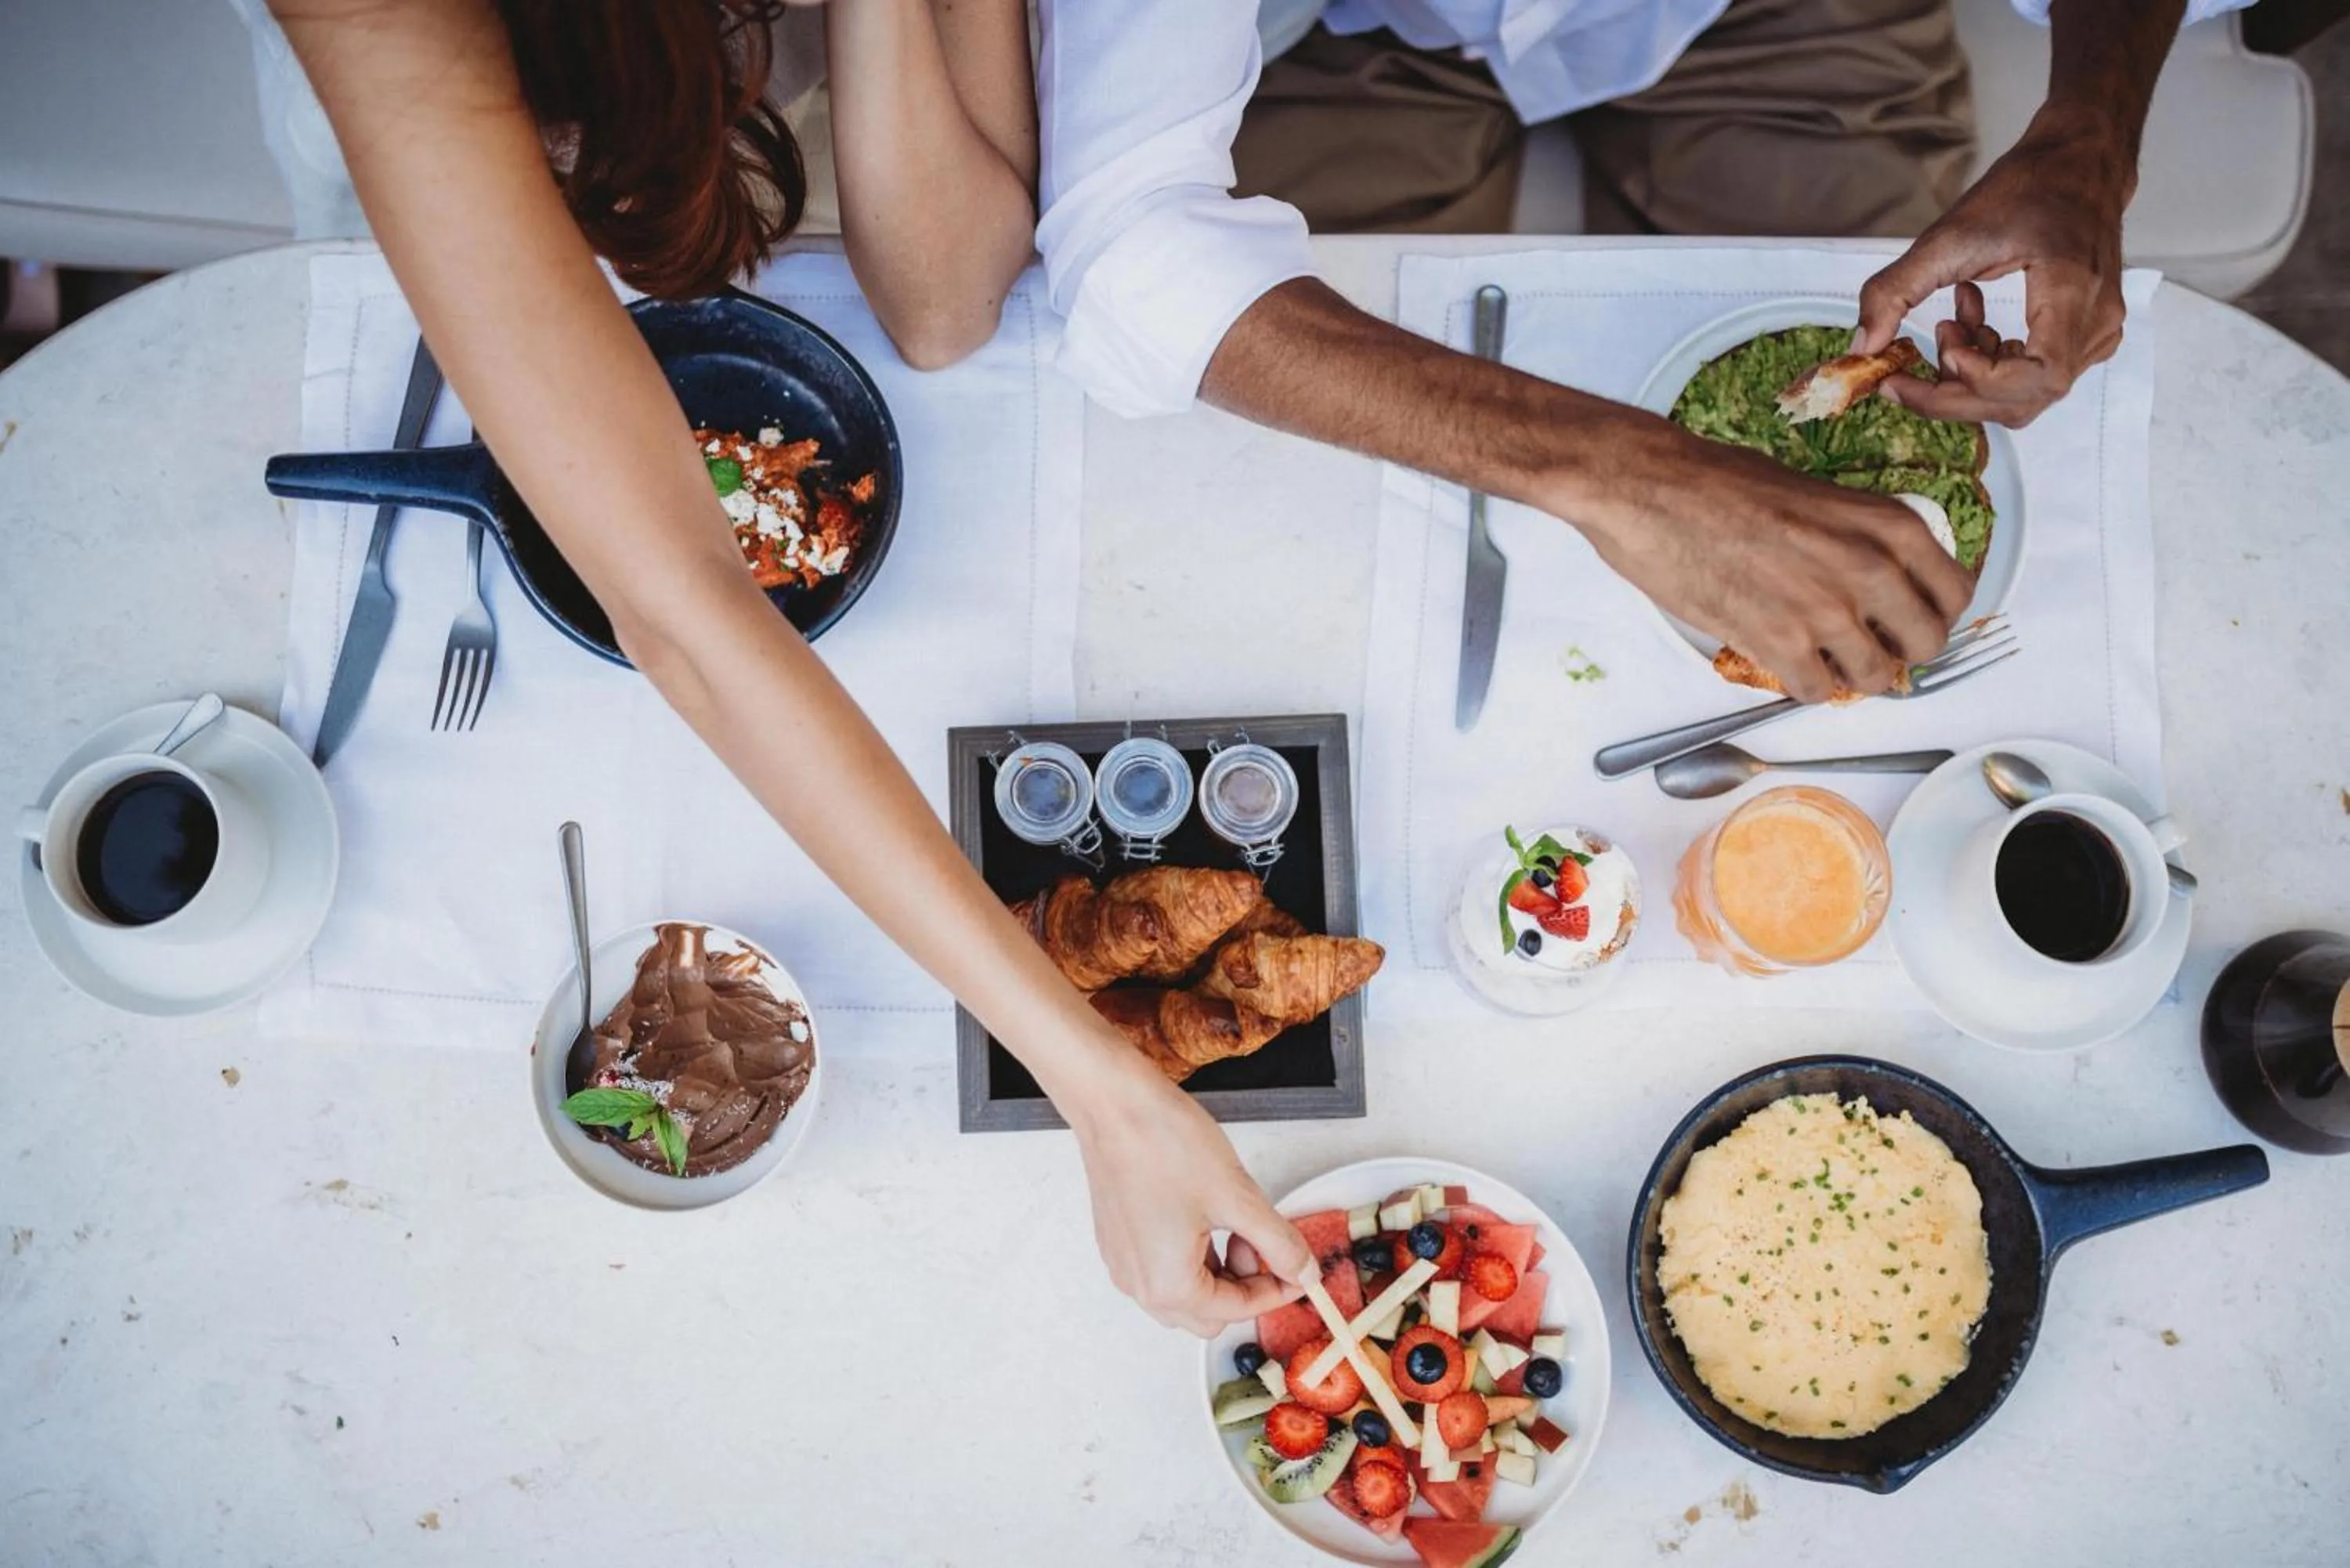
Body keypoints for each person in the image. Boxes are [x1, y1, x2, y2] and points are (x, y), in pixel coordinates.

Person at [254, 0, 1316, 1334]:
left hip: (775, 177)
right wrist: (1103, 1090)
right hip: (444, 213)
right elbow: (682, 611)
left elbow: (941, 307)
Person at [1034, 0, 2232, 704]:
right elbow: (1126, 243)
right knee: (1336, 541)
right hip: (1348, 39)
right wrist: (1627, 474)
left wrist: (2088, 142)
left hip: (1778, 21)